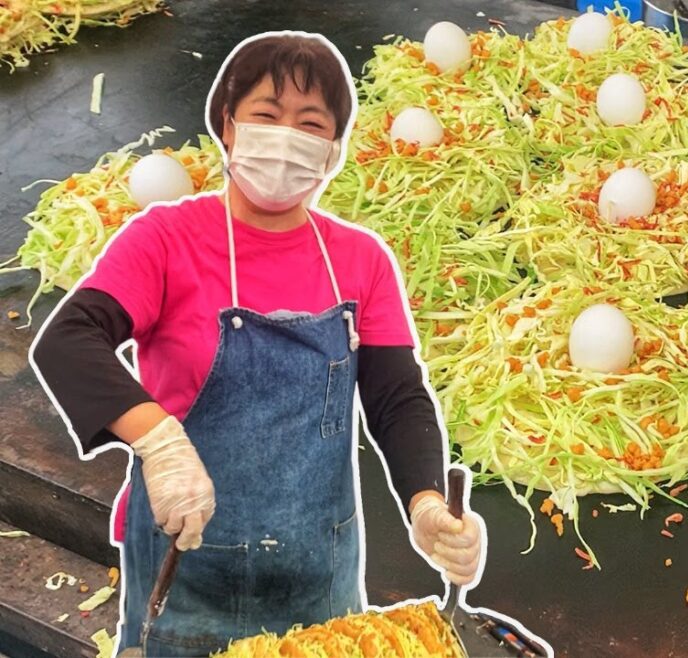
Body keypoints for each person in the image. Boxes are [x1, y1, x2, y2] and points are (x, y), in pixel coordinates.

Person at [29, 31, 484, 657]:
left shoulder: (359, 259)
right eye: (267, 116)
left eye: (310, 123)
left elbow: (396, 399)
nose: (285, 136)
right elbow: (68, 341)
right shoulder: (166, 239)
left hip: (317, 574)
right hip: (188, 566)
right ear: (228, 124)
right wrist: (158, 441)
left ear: (331, 149)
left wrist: (427, 502)